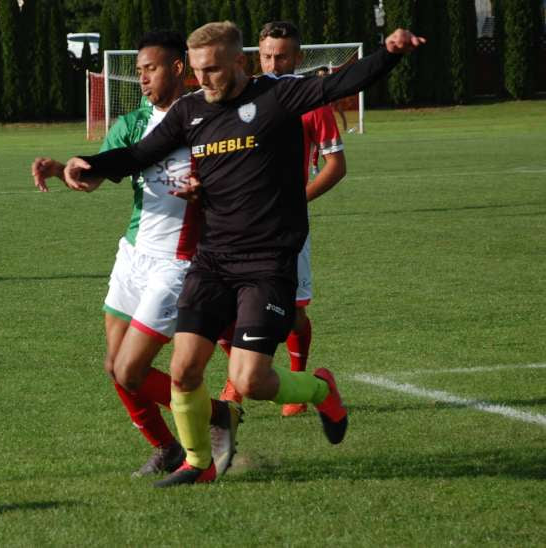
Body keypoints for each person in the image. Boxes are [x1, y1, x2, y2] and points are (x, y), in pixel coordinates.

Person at [63, 22, 424, 487]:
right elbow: (140, 154)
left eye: (213, 69)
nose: (204, 80)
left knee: (251, 381)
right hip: (212, 260)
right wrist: (87, 163)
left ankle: (320, 390)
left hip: (267, 262)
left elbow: (341, 83)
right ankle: (199, 463)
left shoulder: (277, 96)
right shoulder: (191, 109)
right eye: (197, 71)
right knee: (184, 368)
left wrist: (389, 53)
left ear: (241, 63)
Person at [31, 31, 243, 479]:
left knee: (131, 369)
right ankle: (165, 446)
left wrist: (205, 196)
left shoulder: (208, 121)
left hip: (178, 262)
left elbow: (234, 189)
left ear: (179, 69)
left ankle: (217, 415)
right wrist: (62, 168)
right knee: (115, 366)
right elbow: (92, 176)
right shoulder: (131, 124)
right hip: (133, 255)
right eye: (139, 71)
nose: (142, 79)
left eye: (151, 69)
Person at [218, 22, 348, 419]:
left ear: (299, 57)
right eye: (268, 55)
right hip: (239, 222)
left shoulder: (311, 101)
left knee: (292, 310)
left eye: (283, 56)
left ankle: (298, 377)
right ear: (258, 55)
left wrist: (293, 201)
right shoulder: (245, 95)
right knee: (223, 303)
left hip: (287, 228)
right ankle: (235, 378)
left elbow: (336, 166)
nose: (274, 63)